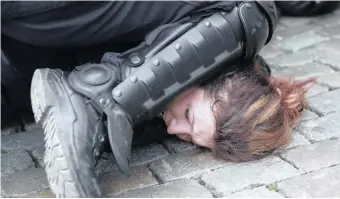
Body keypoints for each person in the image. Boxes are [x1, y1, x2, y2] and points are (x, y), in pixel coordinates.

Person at [1, 1, 338, 198]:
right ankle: (92, 97)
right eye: (189, 117)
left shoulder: (170, 109)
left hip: (16, 51)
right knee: (253, 13)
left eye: (189, 139)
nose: (175, 129)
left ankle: (89, 102)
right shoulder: (227, 21)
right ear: (206, 70)